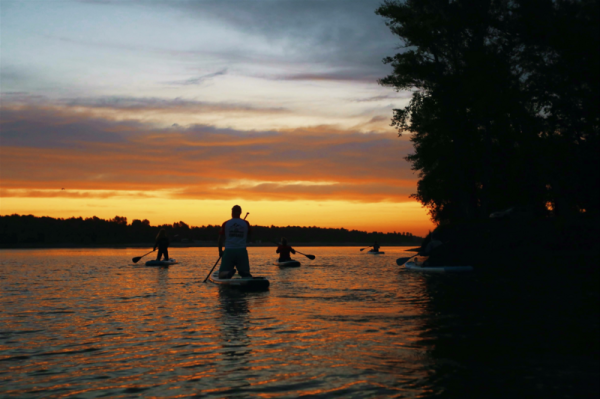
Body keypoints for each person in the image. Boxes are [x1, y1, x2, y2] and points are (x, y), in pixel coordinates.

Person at [218, 205, 252, 279]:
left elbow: (220, 239)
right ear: (240, 213)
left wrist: (220, 251)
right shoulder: (246, 223)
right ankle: (243, 273)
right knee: (246, 273)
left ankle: (227, 273)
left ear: (232, 212)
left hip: (229, 251)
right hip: (242, 251)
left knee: (221, 275)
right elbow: (249, 236)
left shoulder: (226, 224)